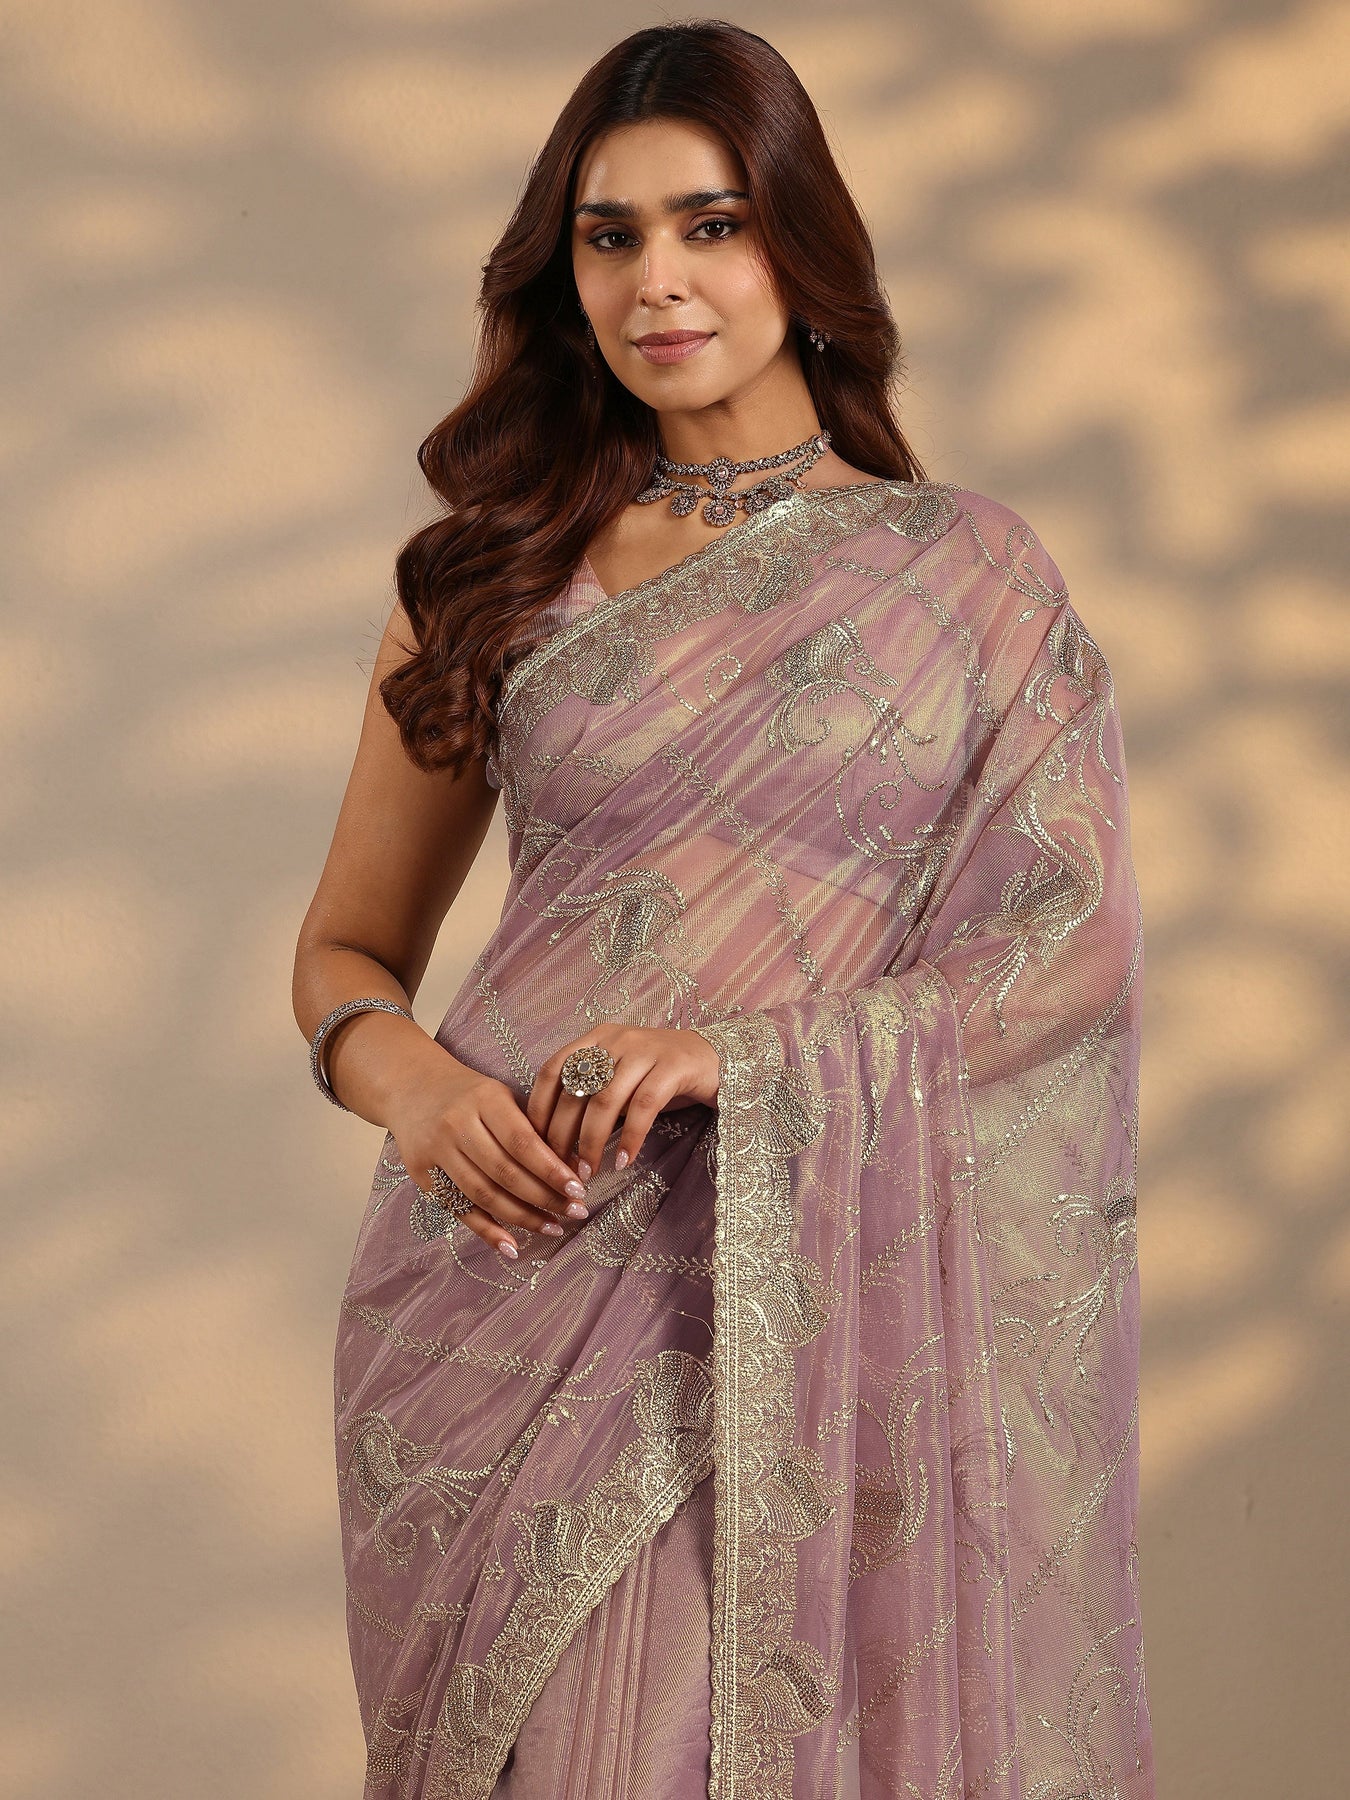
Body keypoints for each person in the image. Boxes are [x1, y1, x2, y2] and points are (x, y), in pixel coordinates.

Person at [292, 19, 1153, 1800]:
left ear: (798, 245)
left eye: (710, 224)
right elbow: (343, 955)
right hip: (500, 1280)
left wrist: (740, 1059)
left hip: (801, 1294)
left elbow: (1061, 950)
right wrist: (422, 1091)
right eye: (608, 237)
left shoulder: (963, 573)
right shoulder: (487, 575)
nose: (656, 283)